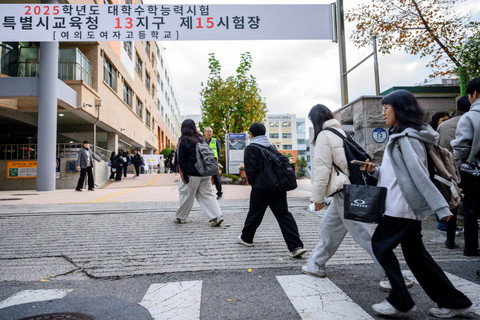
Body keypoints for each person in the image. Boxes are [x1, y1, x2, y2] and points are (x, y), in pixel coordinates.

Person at [364, 90, 473, 318]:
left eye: (386, 108)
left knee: (380, 246)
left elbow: (419, 175)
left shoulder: (407, 138)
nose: (382, 112)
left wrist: (440, 208)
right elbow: (397, 175)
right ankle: (455, 302)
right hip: (399, 204)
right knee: (417, 258)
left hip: (402, 207)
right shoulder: (400, 134)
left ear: (400, 109)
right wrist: (376, 171)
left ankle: (400, 300)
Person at [302, 104, 387, 280]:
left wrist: (317, 198)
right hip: (346, 189)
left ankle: (394, 275)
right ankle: (316, 264)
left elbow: (322, 169)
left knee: (362, 235)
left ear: (315, 120)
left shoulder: (325, 136)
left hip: (343, 191)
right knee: (328, 228)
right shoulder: (341, 133)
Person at [237, 122, 306, 258]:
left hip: (261, 188)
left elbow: (250, 170)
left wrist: (254, 183)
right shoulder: (271, 147)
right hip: (278, 187)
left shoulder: (251, 148)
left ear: (251, 134)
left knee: (255, 214)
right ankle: (296, 246)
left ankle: (246, 238)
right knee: (284, 215)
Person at [175, 119, 224, 226]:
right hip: (205, 173)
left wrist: (183, 176)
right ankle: (216, 216)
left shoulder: (183, 141)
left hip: (191, 174)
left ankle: (181, 217)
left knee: (186, 195)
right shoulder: (201, 139)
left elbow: (180, 160)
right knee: (207, 194)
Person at [436, 96, 471, 249]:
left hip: (449, 172)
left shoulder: (443, 126)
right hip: (471, 169)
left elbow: (437, 150)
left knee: (453, 205)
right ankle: (471, 245)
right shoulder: (473, 120)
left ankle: (450, 240)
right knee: (472, 207)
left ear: (456, 108)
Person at [451, 77, 480, 257]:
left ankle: (470, 248)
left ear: (475, 94)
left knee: (471, 210)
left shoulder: (470, 116)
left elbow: (461, 149)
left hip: (475, 173)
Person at [203, 127, 223, 199]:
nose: (209, 133)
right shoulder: (202, 141)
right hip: (204, 162)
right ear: (204, 133)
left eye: (210, 132)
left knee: (216, 178)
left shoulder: (215, 141)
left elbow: (218, 151)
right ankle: (205, 194)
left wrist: (216, 160)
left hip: (213, 162)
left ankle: (219, 193)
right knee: (204, 178)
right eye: (207, 132)